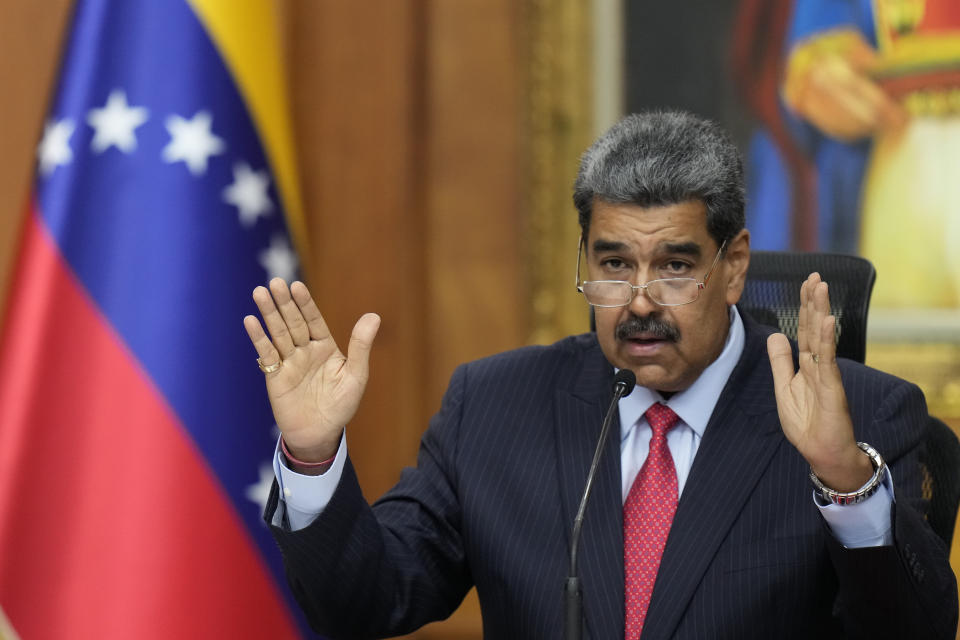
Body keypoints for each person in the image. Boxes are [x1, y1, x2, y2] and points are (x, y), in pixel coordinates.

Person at [244, 111, 957, 639]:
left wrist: (842, 479)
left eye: (675, 266)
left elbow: (913, 631)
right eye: (615, 265)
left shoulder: (862, 417)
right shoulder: (494, 406)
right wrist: (312, 458)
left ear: (733, 265)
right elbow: (367, 602)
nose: (639, 301)